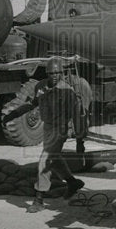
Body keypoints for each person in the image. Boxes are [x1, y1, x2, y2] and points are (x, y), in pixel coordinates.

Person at [23, 56, 85, 208]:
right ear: (47, 74)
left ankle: (39, 199)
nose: (55, 76)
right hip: (48, 127)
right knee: (54, 159)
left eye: (58, 73)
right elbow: (34, 101)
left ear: (62, 73)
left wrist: (79, 141)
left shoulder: (67, 92)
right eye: (52, 73)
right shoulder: (41, 87)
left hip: (61, 129)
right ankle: (72, 182)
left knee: (45, 159)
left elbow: (77, 116)